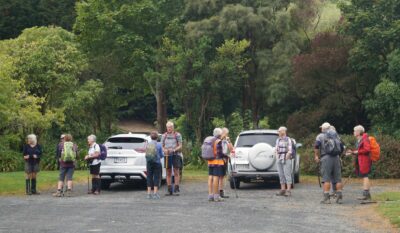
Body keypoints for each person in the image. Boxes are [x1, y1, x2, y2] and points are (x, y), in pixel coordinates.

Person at [314, 122, 344, 204]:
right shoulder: (336, 136)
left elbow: (316, 146)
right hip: (337, 158)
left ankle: (326, 198)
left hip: (326, 158)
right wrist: (338, 156)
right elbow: (341, 147)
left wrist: (316, 156)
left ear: (323, 129)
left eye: (321, 128)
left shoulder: (320, 136)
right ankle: (339, 198)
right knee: (338, 179)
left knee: (326, 178)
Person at [346, 125, 372, 201]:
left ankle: (366, 195)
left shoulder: (365, 139)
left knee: (365, 176)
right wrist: (352, 152)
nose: (353, 132)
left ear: (358, 132)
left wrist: (356, 152)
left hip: (365, 160)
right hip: (361, 160)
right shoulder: (360, 139)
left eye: (354, 131)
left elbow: (367, 150)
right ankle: (367, 195)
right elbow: (359, 151)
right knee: (364, 176)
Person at [161, 121, 183, 195]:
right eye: (168, 127)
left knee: (176, 171)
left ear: (173, 127)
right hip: (167, 155)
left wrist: (174, 150)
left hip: (176, 154)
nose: (169, 128)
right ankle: (169, 189)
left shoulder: (177, 135)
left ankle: (176, 188)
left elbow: (180, 145)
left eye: (170, 127)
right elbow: (162, 146)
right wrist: (165, 150)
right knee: (168, 172)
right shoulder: (164, 135)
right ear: (166, 127)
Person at [145, 131, 165, 199]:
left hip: (149, 163)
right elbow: (162, 155)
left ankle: (148, 194)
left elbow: (146, 154)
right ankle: (155, 194)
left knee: (149, 177)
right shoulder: (159, 145)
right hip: (157, 163)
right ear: (157, 137)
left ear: (151, 137)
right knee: (156, 177)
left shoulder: (148, 144)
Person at [275, 127, 293, 197]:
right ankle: (283, 189)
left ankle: (288, 190)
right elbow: (276, 148)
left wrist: (286, 157)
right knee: (281, 174)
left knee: (287, 174)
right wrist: (277, 156)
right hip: (279, 159)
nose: (278, 133)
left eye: (279, 131)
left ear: (283, 132)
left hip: (286, 158)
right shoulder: (278, 140)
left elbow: (290, 150)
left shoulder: (288, 139)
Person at [208, 128, 225, 202]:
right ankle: (216, 196)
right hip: (217, 162)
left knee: (210, 178)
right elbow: (220, 153)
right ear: (219, 134)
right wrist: (226, 156)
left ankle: (210, 195)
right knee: (216, 178)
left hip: (210, 162)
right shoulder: (218, 141)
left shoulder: (210, 140)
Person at [219, 128, 234, 198]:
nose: (226, 135)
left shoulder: (227, 140)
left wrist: (229, 140)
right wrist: (222, 137)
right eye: (225, 133)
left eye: (227, 134)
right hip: (219, 160)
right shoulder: (218, 139)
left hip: (225, 159)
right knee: (218, 176)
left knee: (222, 176)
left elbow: (231, 149)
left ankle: (221, 192)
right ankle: (217, 192)